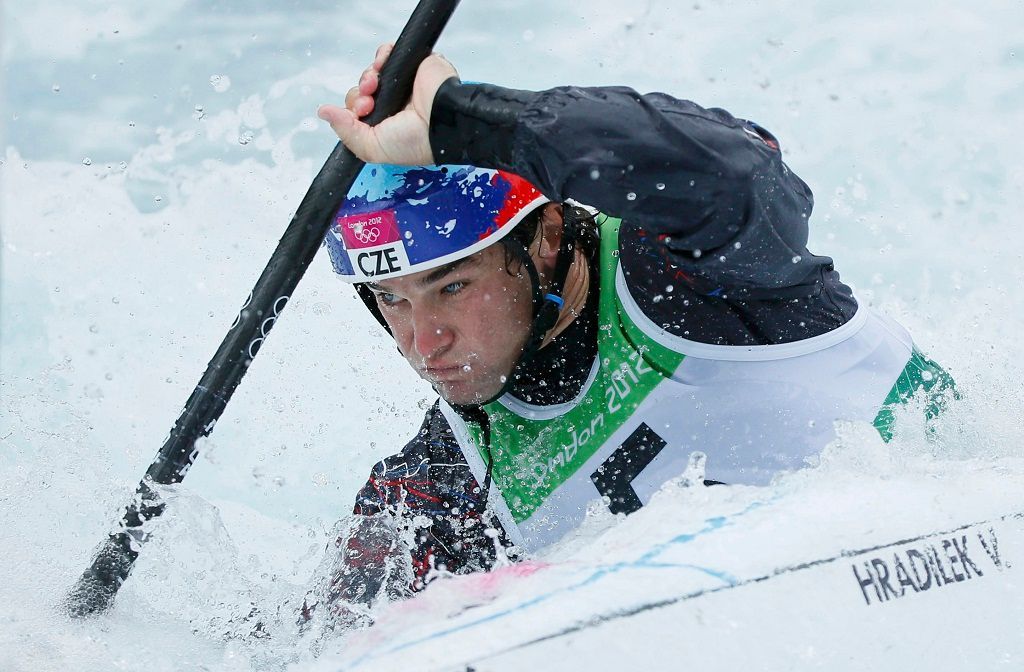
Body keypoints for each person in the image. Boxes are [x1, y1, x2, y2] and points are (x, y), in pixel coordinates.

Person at [302, 44, 954, 625]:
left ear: (549, 237)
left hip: (945, 558)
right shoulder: (448, 478)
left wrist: (465, 120)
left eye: (452, 288)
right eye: (392, 301)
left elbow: (737, 173)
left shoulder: (690, 278)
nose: (423, 342)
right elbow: (329, 640)